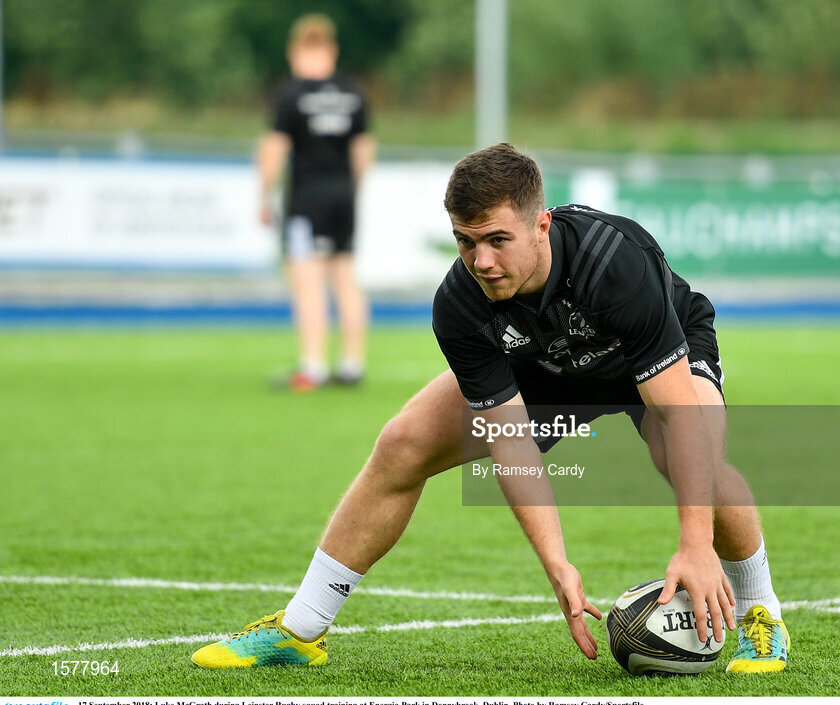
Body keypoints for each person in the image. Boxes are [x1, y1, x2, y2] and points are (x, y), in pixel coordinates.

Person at [193, 144, 789, 674]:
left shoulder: (614, 262)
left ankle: (762, 616)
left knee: (693, 458)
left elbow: (681, 416)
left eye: (498, 239)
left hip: (650, 362)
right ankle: (301, 628)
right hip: (546, 368)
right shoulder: (460, 305)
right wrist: (557, 563)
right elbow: (510, 441)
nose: (481, 261)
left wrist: (695, 546)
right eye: (466, 241)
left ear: (541, 227)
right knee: (403, 443)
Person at [260, 14, 376, 390]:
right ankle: (352, 363)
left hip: (307, 198)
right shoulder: (352, 91)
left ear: (296, 51)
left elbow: (275, 148)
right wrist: (351, 189)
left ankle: (312, 365)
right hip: (342, 194)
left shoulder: (292, 93)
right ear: (332, 50)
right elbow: (364, 149)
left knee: (307, 279)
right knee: (345, 276)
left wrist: (264, 193)